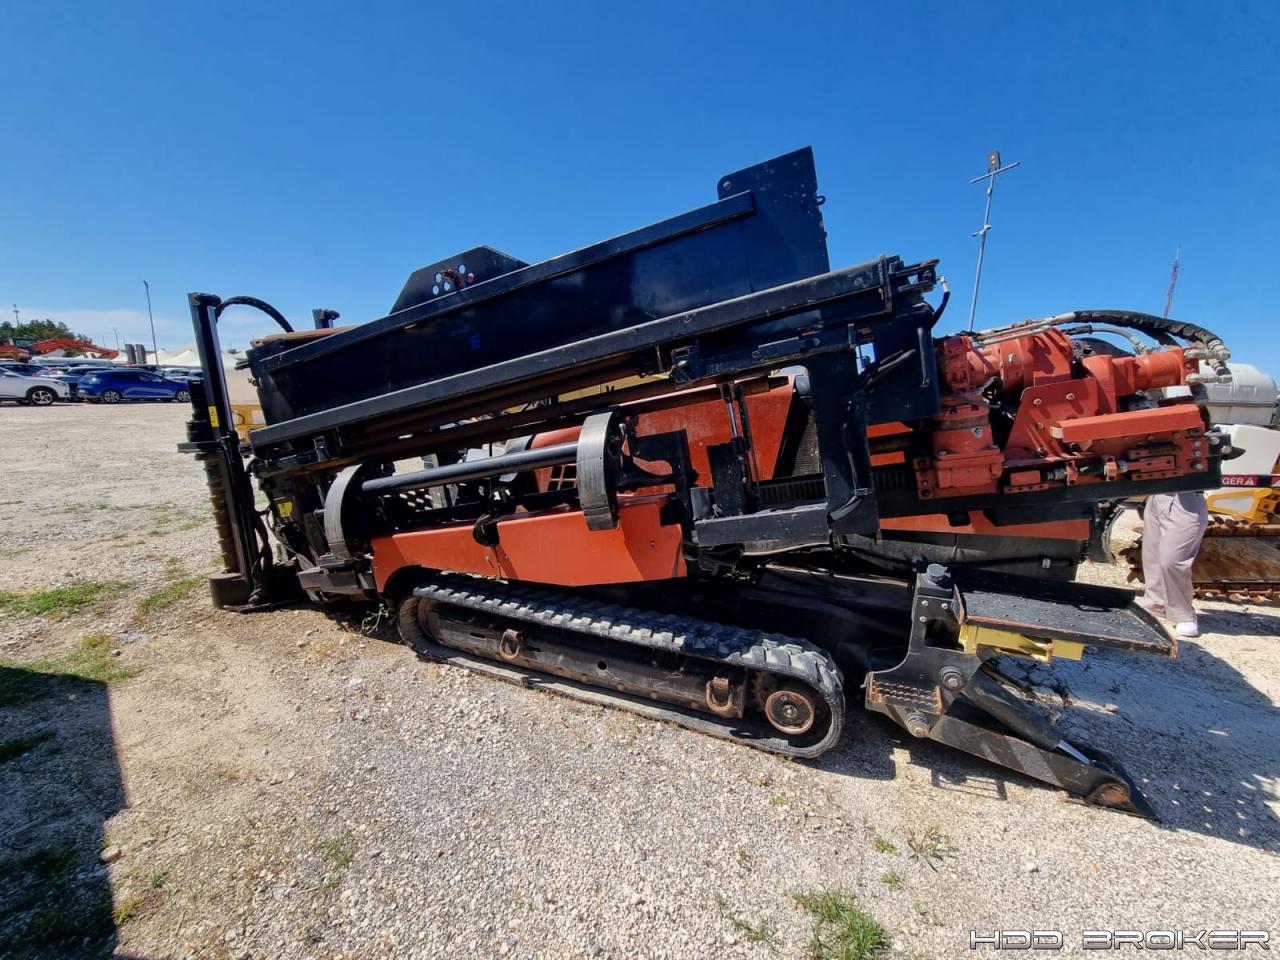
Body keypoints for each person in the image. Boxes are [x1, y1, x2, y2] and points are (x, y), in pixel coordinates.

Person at [1140, 490, 1210, 637]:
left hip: (1186, 499)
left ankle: (1183, 615)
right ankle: (1156, 605)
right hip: (1158, 495)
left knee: (1172, 561)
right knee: (1152, 557)